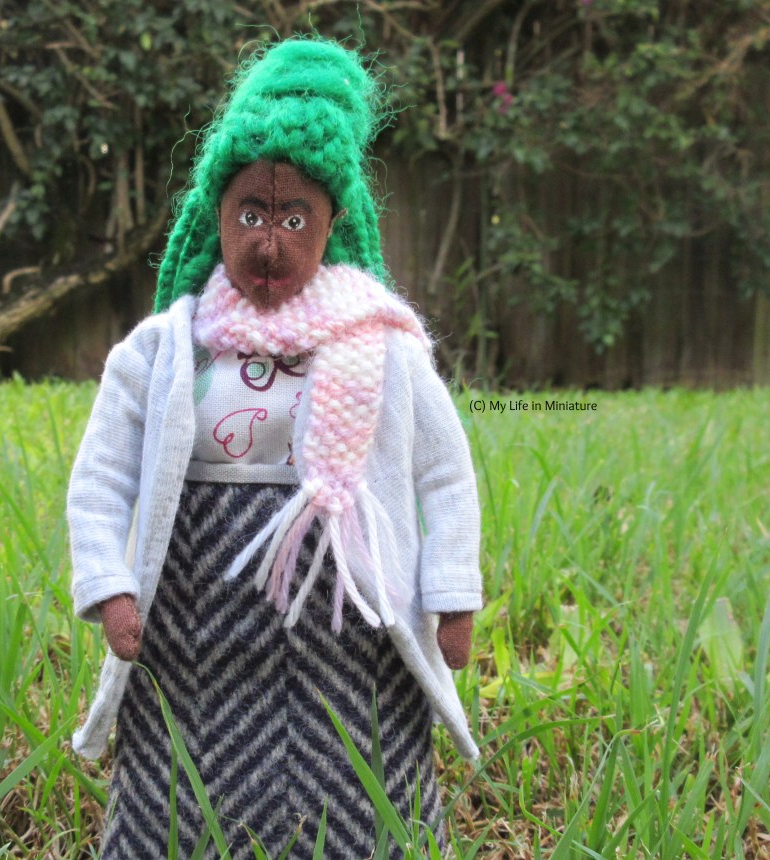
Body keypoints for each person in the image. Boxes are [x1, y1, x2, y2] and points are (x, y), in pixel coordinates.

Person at [67, 36, 482, 859]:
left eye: (295, 219)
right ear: (215, 216)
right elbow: (103, 474)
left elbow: (445, 474)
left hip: (347, 603)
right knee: (180, 769)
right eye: (250, 214)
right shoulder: (162, 349)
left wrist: (452, 590)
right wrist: (109, 584)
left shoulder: (386, 347)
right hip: (190, 607)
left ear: (333, 224)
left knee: (360, 752)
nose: (269, 243)